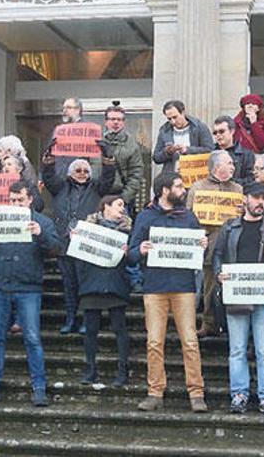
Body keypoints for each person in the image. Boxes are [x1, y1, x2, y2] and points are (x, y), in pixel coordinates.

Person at [0, 181, 60, 407]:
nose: (15, 204)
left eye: (20, 200)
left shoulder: (42, 222)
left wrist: (40, 235)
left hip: (28, 288)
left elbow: (56, 249)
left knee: (32, 339)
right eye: (12, 200)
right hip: (0, 285)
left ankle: (39, 388)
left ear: (30, 200)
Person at [129, 171, 209, 413]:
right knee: (154, 342)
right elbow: (130, 253)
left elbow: (197, 253)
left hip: (184, 287)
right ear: (165, 190)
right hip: (154, 287)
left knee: (190, 341)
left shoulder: (189, 218)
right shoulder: (145, 217)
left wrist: (202, 246)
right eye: (178, 186)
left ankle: (196, 393)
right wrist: (140, 249)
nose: (183, 190)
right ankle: (155, 392)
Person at [213, 182, 264, 415]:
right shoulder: (229, 227)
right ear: (245, 198)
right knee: (237, 349)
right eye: (256, 197)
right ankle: (239, 394)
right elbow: (217, 254)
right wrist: (219, 274)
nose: (260, 202)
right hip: (237, 295)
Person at [43, 143, 116, 334]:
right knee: (69, 285)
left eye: (85, 170)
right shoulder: (60, 187)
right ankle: (70, 319)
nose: (82, 173)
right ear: (69, 172)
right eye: (78, 170)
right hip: (65, 244)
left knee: (85, 285)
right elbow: (48, 177)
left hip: (86, 245)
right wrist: (50, 157)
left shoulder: (96, 188)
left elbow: (108, 178)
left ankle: (86, 320)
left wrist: (106, 158)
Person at [74, 195, 133, 387]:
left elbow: (133, 259)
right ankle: (90, 370)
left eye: (123, 206)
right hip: (92, 282)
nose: (122, 209)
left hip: (115, 283)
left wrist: (128, 253)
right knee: (90, 330)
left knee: (119, 328)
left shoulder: (128, 231)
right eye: (118, 205)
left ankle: (123, 370)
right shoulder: (87, 228)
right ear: (105, 207)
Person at [188, 150, 243, 338]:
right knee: (209, 286)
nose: (233, 167)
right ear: (217, 166)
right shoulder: (197, 188)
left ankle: (232, 324)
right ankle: (208, 322)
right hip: (210, 243)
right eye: (229, 163)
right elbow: (190, 217)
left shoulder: (238, 189)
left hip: (234, 244)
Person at [102, 101, 145, 212]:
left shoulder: (131, 145)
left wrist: (124, 198)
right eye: (112, 119)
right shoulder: (97, 142)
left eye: (119, 119)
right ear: (106, 122)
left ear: (123, 122)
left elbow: (136, 174)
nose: (116, 122)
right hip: (98, 197)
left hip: (120, 196)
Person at [152, 100, 215, 173]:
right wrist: (168, 152)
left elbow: (210, 150)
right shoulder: (164, 131)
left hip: (194, 175)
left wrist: (187, 150)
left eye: (175, 117)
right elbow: (156, 158)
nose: (173, 121)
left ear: (183, 112)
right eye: (169, 119)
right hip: (172, 177)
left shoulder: (199, 127)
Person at [212, 115, 255, 187]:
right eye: (215, 133)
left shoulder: (247, 154)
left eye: (221, 131)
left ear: (232, 131)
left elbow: (251, 180)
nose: (218, 135)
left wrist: (230, 182)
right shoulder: (210, 153)